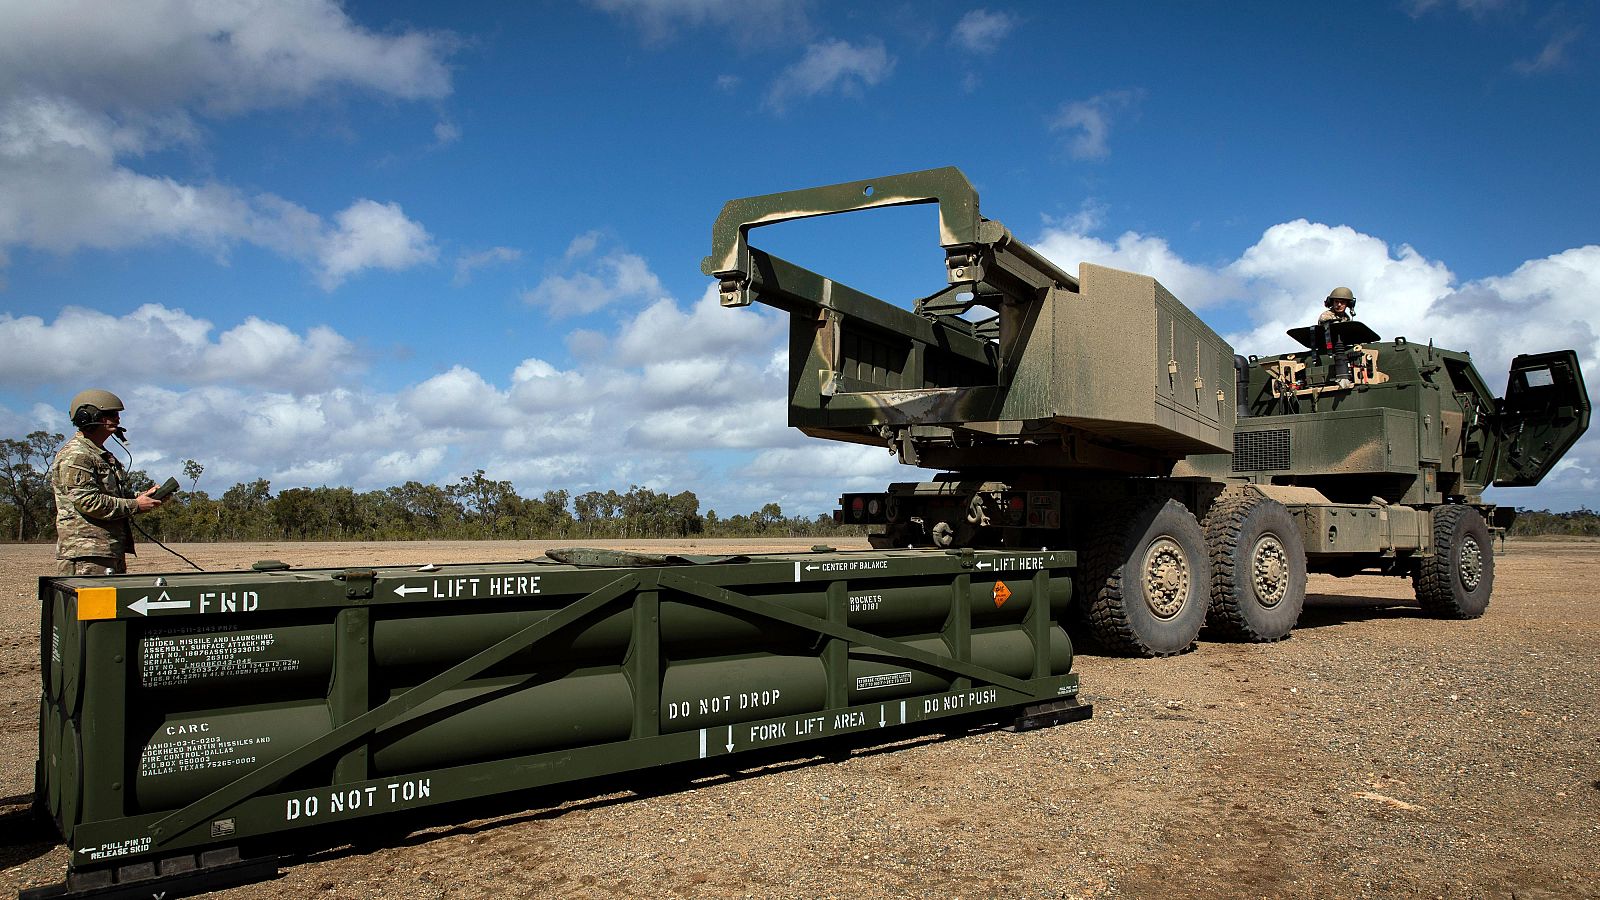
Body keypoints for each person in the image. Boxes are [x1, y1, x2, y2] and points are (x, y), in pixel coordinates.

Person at [49, 389, 164, 575]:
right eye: (110, 414)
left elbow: (111, 495)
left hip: (106, 551)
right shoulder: (78, 455)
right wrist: (136, 505)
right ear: (87, 417)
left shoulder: (99, 454)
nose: (117, 419)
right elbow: (89, 502)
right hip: (87, 554)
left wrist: (141, 498)